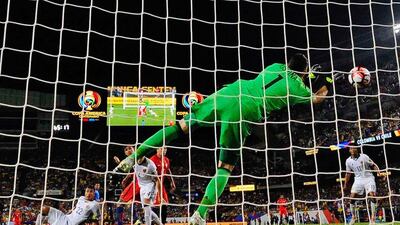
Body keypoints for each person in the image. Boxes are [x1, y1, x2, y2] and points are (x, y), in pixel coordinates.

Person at [115, 53, 329, 224]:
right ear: (303, 72)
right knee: (225, 167)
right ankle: (200, 214)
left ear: (287, 63)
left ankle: (134, 156)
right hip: (246, 109)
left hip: (231, 91)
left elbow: (291, 75)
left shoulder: (275, 66)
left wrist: (306, 75)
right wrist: (327, 83)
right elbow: (317, 98)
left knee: (182, 126)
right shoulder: (298, 87)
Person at [344, 145, 384, 225]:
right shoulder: (348, 161)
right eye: (351, 148)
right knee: (351, 198)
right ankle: (354, 217)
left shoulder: (364, 156)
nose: (352, 149)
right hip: (358, 180)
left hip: (369, 178)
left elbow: (373, 165)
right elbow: (348, 173)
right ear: (349, 150)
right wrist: (345, 184)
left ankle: (372, 218)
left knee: (372, 195)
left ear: (357, 149)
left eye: (354, 148)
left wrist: (379, 172)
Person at [35, 186, 100, 225]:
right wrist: (69, 211)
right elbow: (76, 208)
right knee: (44, 209)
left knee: (46, 216)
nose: (88, 193)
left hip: (70, 223)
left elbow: (98, 217)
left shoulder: (94, 204)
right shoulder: (81, 198)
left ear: (94, 193)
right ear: (85, 192)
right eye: (87, 191)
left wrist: (92, 219)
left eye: (91, 191)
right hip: (65, 217)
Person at [150, 147, 176, 224]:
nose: (164, 150)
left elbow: (168, 170)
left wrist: (172, 181)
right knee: (155, 205)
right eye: (162, 149)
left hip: (160, 185)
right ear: (157, 150)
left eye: (166, 149)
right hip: (152, 185)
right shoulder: (152, 160)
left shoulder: (166, 159)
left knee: (164, 204)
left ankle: (162, 222)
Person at [134, 156, 163, 225]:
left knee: (146, 205)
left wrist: (160, 195)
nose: (140, 158)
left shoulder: (150, 165)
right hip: (142, 187)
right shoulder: (134, 162)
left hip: (151, 185)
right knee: (147, 209)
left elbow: (158, 180)